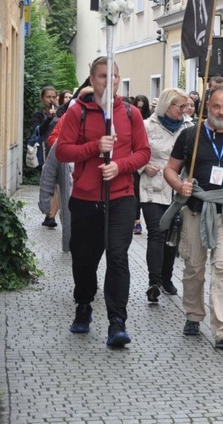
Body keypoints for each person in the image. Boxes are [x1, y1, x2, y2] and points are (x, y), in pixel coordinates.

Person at [56, 56, 151, 347]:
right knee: (84, 259)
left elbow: (144, 152)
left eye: (112, 77)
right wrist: (94, 148)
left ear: (118, 80)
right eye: (101, 76)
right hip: (85, 198)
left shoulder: (130, 113)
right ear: (91, 79)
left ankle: (117, 322)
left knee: (118, 257)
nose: (107, 81)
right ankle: (83, 304)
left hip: (121, 197)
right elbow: (63, 151)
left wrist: (119, 166)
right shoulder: (78, 113)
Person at [163, 85, 223, 351]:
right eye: (217, 106)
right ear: (207, 108)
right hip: (195, 210)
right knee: (194, 266)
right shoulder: (190, 135)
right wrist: (180, 186)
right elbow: (170, 170)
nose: (222, 112)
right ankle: (193, 314)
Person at [140, 88, 193, 302]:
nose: (184, 110)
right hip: (153, 186)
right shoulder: (147, 126)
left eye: (185, 106)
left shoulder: (189, 127)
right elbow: (135, 150)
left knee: (173, 232)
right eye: (180, 106)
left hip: (178, 187)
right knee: (156, 232)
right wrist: (144, 165)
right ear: (167, 106)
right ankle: (154, 281)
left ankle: (167, 278)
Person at [32, 86, 59, 227]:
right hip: (43, 152)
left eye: (54, 97)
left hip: (58, 152)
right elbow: (39, 131)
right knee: (47, 184)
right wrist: (49, 118)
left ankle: (51, 216)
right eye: (48, 97)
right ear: (42, 98)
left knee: (57, 186)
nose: (51, 100)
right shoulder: (38, 115)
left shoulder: (61, 113)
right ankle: (47, 213)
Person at [132, 95, 152, 235]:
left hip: (144, 160)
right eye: (137, 107)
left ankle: (139, 219)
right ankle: (136, 220)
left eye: (142, 108)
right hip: (134, 161)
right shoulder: (131, 118)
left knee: (140, 191)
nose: (139, 110)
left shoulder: (148, 122)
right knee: (135, 191)